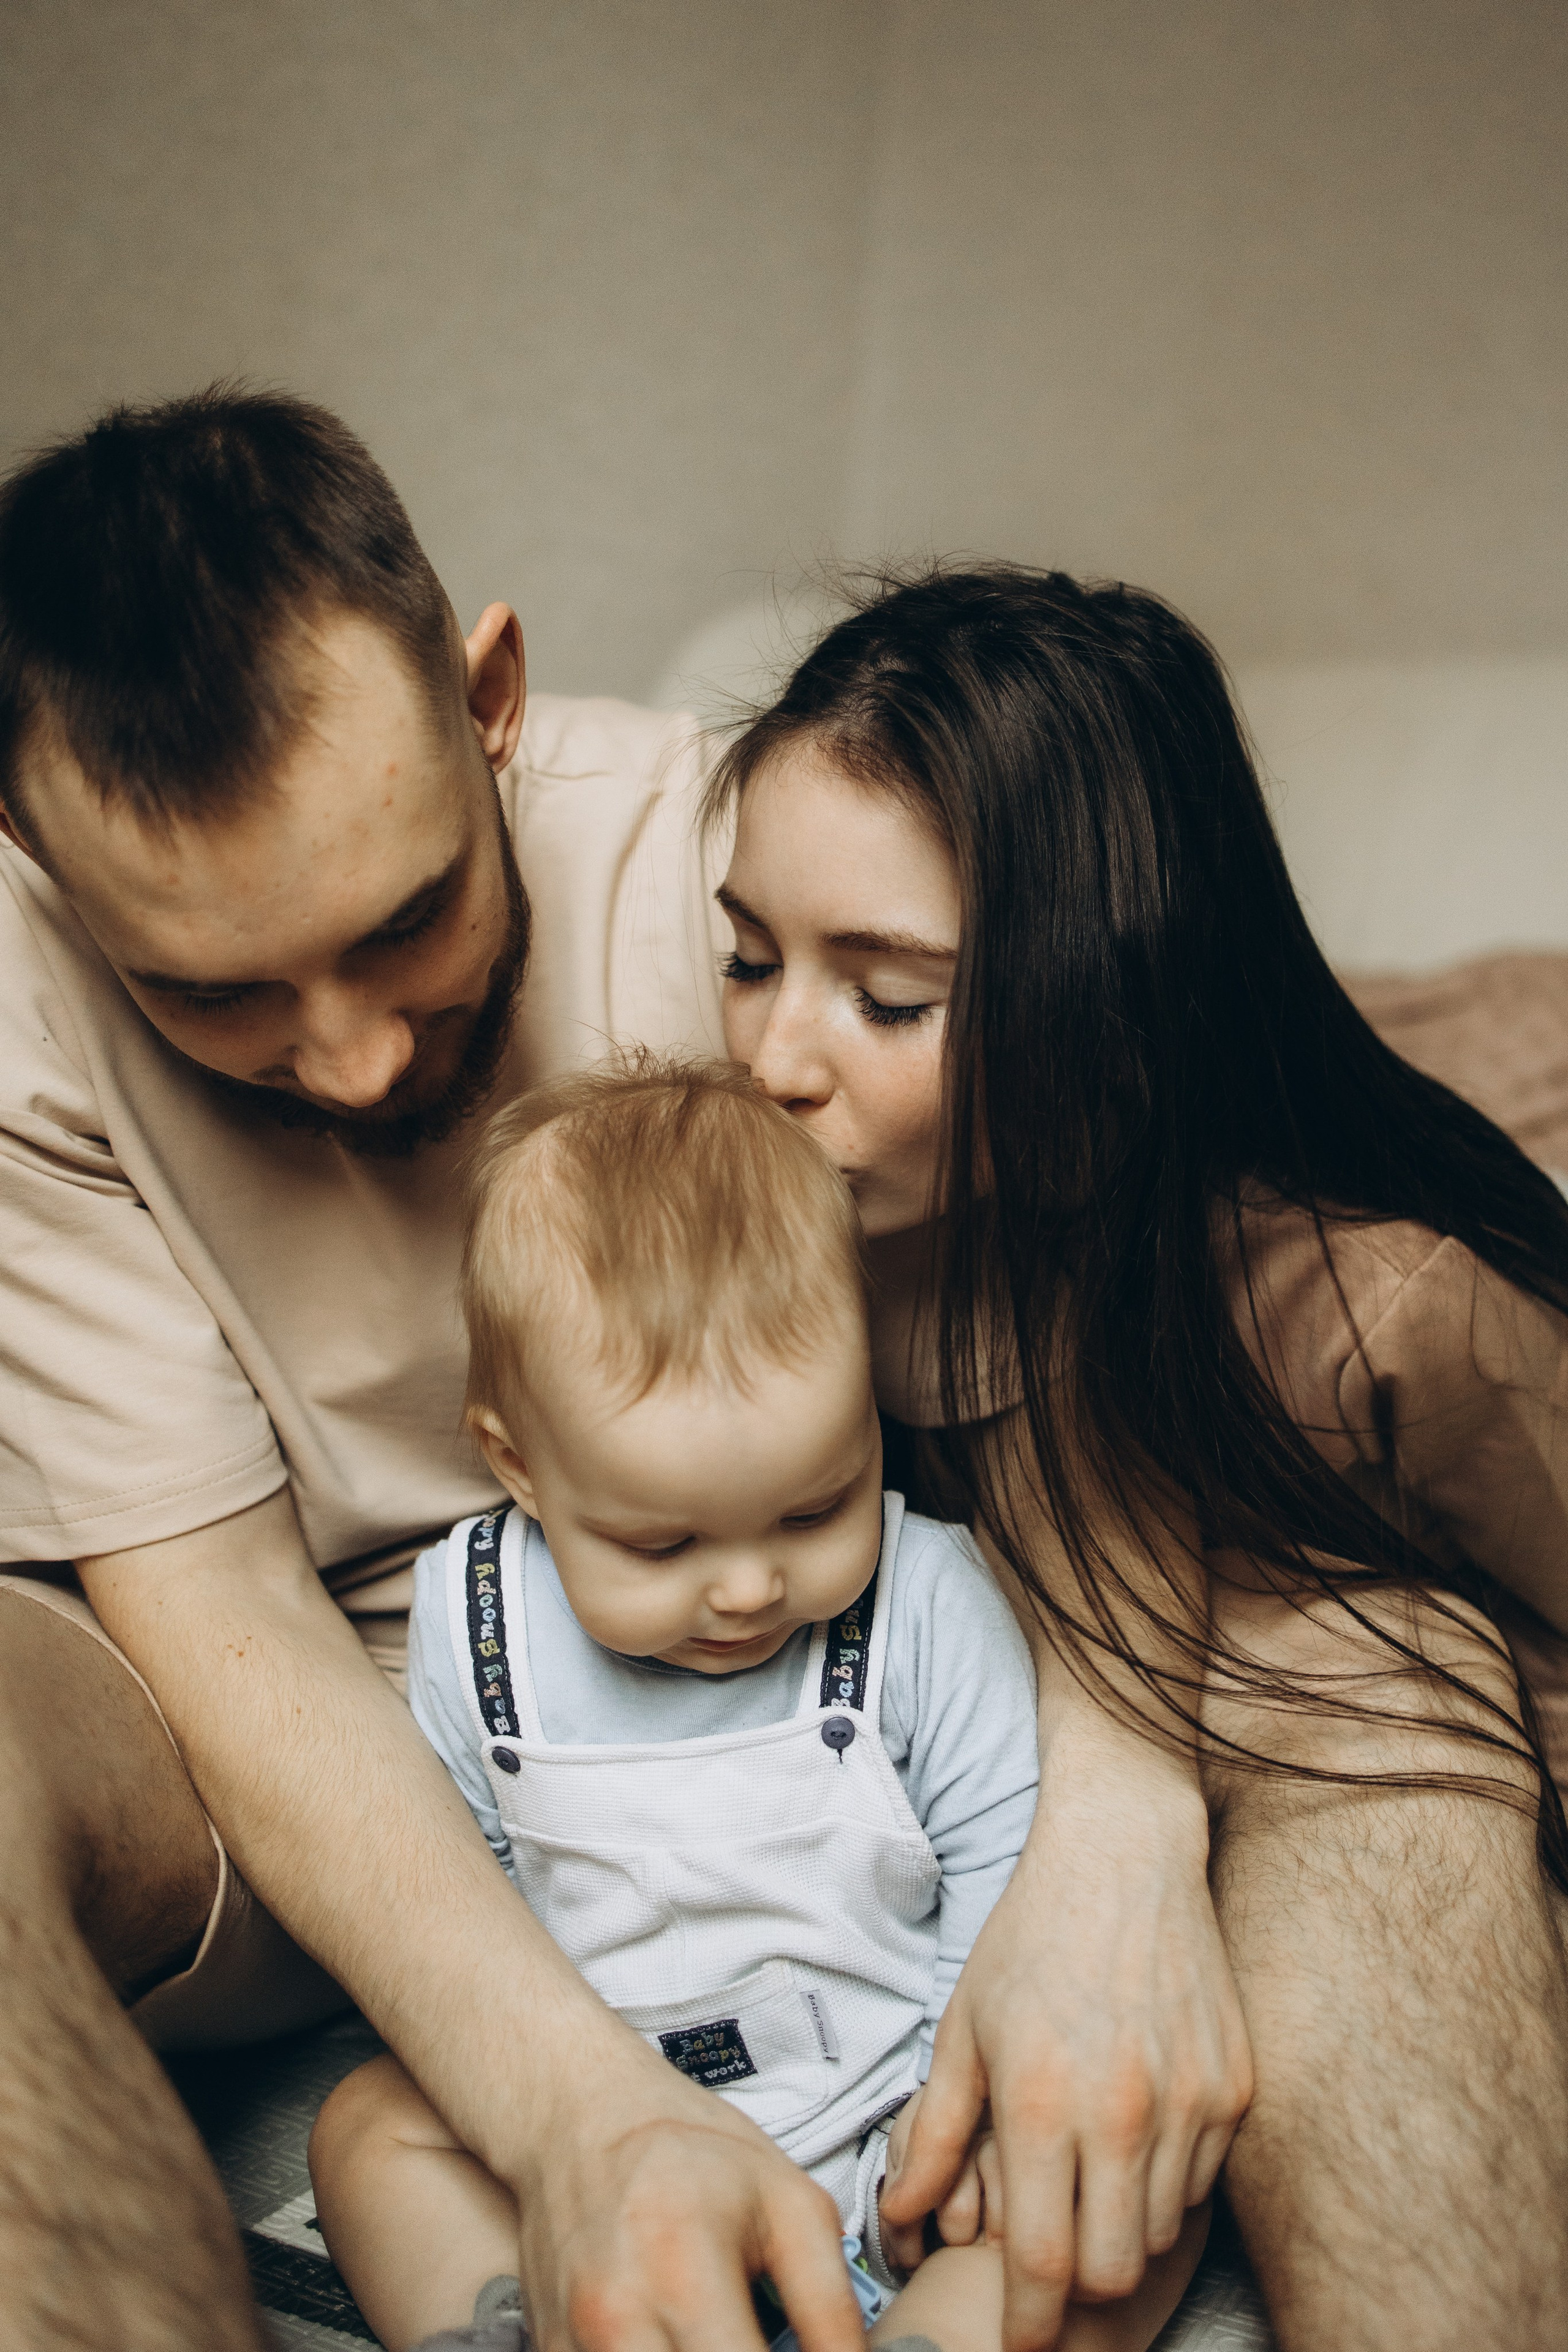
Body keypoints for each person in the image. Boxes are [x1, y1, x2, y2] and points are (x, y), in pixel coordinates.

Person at [0, 388, 869, 2352]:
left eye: (410, 924)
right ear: (31, 849)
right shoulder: (10, 996)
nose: (359, 1064)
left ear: (490, 696)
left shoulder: (733, 871)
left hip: (748, 1639)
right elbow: (210, 1600)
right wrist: (578, 2120)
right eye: (212, 989)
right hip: (251, 1687)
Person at [706, 562, 1568, 2352]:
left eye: (886, 996)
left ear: (1100, 1023)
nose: (773, 1055)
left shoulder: (1380, 1311)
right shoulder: (784, 1266)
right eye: (747, 956)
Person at [308, 1058, 1200, 2352]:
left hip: (896, 2122)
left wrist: (952, 2114)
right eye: (660, 1546)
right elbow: (467, 1879)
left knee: (1124, 2198)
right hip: (605, 2128)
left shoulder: (928, 1606)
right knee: (370, 2130)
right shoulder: (471, 1620)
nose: (745, 1589)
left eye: (812, 1507)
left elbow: (1013, 1880)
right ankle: (513, 2321)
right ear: (520, 1464)